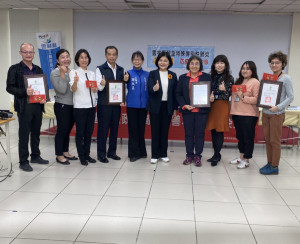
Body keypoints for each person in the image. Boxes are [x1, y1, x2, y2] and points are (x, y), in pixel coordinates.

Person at [6, 43, 49, 172]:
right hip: (24, 106)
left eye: (31, 52)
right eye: (26, 52)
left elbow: (43, 86)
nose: (29, 54)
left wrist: (45, 96)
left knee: (36, 133)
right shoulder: (14, 69)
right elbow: (9, 87)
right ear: (20, 53)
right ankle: (23, 161)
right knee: (24, 134)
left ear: (34, 53)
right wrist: (25, 91)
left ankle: (35, 156)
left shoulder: (38, 69)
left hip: (37, 105)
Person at [260, 51, 294, 175]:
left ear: (283, 64)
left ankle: (275, 166)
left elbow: (290, 97)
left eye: (277, 63)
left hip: (277, 114)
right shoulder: (268, 78)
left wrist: (278, 107)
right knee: (268, 140)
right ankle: (269, 162)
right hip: (265, 112)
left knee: (275, 140)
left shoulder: (286, 78)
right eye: (272, 62)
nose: (274, 65)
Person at [176, 55, 212, 167]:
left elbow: (212, 91)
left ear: (200, 65)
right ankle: (189, 155)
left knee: (200, 134)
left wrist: (212, 96)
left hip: (201, 111)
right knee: (189, 134)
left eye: (197, 63)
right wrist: (184, 105)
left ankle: (198, 156)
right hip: (188, 111)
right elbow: (178, 93)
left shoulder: (206, 77)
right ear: (188, 65)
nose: (194, 66)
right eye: (192, 63)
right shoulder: (182, 78)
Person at [147, 51, 177, 164]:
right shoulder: (152, 74)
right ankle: (154, 155)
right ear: (157, 61)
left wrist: (175, 108)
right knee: (155, 131)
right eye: (160, 60)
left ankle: (163, 154)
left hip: (167, 106)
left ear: (169, 62)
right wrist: (154, 88)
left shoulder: (173, 75)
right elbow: (149, 89)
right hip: (155, 106)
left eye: (165, 60)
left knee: (165, 131)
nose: (162, 62)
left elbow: (175, 93)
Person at [96, 46, 124, 163]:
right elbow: (98, 87)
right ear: (105, 55)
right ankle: (101, 154)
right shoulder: (100, 69)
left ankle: (112, 152)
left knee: (114, 129)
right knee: (103, 129)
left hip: (116, 104)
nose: (111, 56)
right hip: (104, 104)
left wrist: (123, 98)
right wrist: (102, 84)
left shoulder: (121, 69)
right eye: (109, 54)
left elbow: (122, 86)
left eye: (114, 54)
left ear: (117, 56)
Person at [69, 49, 97, 166]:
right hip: (80, 106)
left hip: (91, 106)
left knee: (89, 132)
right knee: (80, 133)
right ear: (77, 60)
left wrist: (96, 88)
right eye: (81, 57)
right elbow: (73, 89)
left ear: (89, 59)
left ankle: (87, 154)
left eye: (86, 57)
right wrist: (75, 82)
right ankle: (82, 156)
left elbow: (94, 90)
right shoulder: (74, 73)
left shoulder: (92, 73)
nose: (84, 59)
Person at [230, 61, 260, 169]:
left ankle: (246, 159)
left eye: (248, 68)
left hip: (249, 115)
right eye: (243, 68)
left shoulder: (255, 82)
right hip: (237, 113)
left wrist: (243, 97)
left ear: (252, 70)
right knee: (240, 137)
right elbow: (234, 99)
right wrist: (231, 112)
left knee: (248, 137)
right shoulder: (239, 81)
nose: (245, 70)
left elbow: (257, 99)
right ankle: (241, 157)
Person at [50, 49, 78, 165]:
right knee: (62, 131)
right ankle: (59, 155)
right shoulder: (55, 72)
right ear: (58, 60)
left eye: (67, 56)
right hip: (62, 105)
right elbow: (61, 90)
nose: (66, 59)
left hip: (72, 105)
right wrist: (62, 73)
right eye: (62, 57)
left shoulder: (71, 71)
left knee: (67, 131)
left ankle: (65, 151)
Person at [206, 55, 234, 166]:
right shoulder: (209, 76)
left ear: (225, 65)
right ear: (214, 65)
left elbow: (229, 95)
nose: (219, 65)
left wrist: (225, 89)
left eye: (222, 63)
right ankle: (216, 154)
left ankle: (217, 155)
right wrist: (209, 97)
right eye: (217, 63)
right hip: (211, 106)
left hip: (222, 106)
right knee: (213, 130)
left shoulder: (229, 78)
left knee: (219, 130)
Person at [124, 51, 149, 162]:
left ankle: (142, 152)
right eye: (135, 59)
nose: (137, 61)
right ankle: (133, 154)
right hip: (132, 106)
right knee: (133, 130)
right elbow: (122, 85)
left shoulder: (147, 74)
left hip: (144, 106)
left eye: (139, 59)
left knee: (141, 129)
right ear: (132, 61)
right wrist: (124, 80)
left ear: (142, 61)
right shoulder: (128, 73)